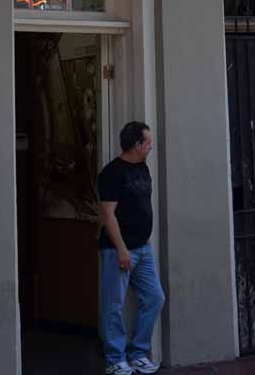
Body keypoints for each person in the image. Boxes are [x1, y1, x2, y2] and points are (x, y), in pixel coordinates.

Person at [98, 121, 164, 374]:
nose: (150, 146)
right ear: (137, 145)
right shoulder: (112, 173)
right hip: (119, 249)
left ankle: (138, 353)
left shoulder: (143, 168)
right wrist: (122, 249)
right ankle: (115, 360)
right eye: (147, 142)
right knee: (114, 304)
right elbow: (108, 214)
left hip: (143, 249)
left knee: (155, 297)